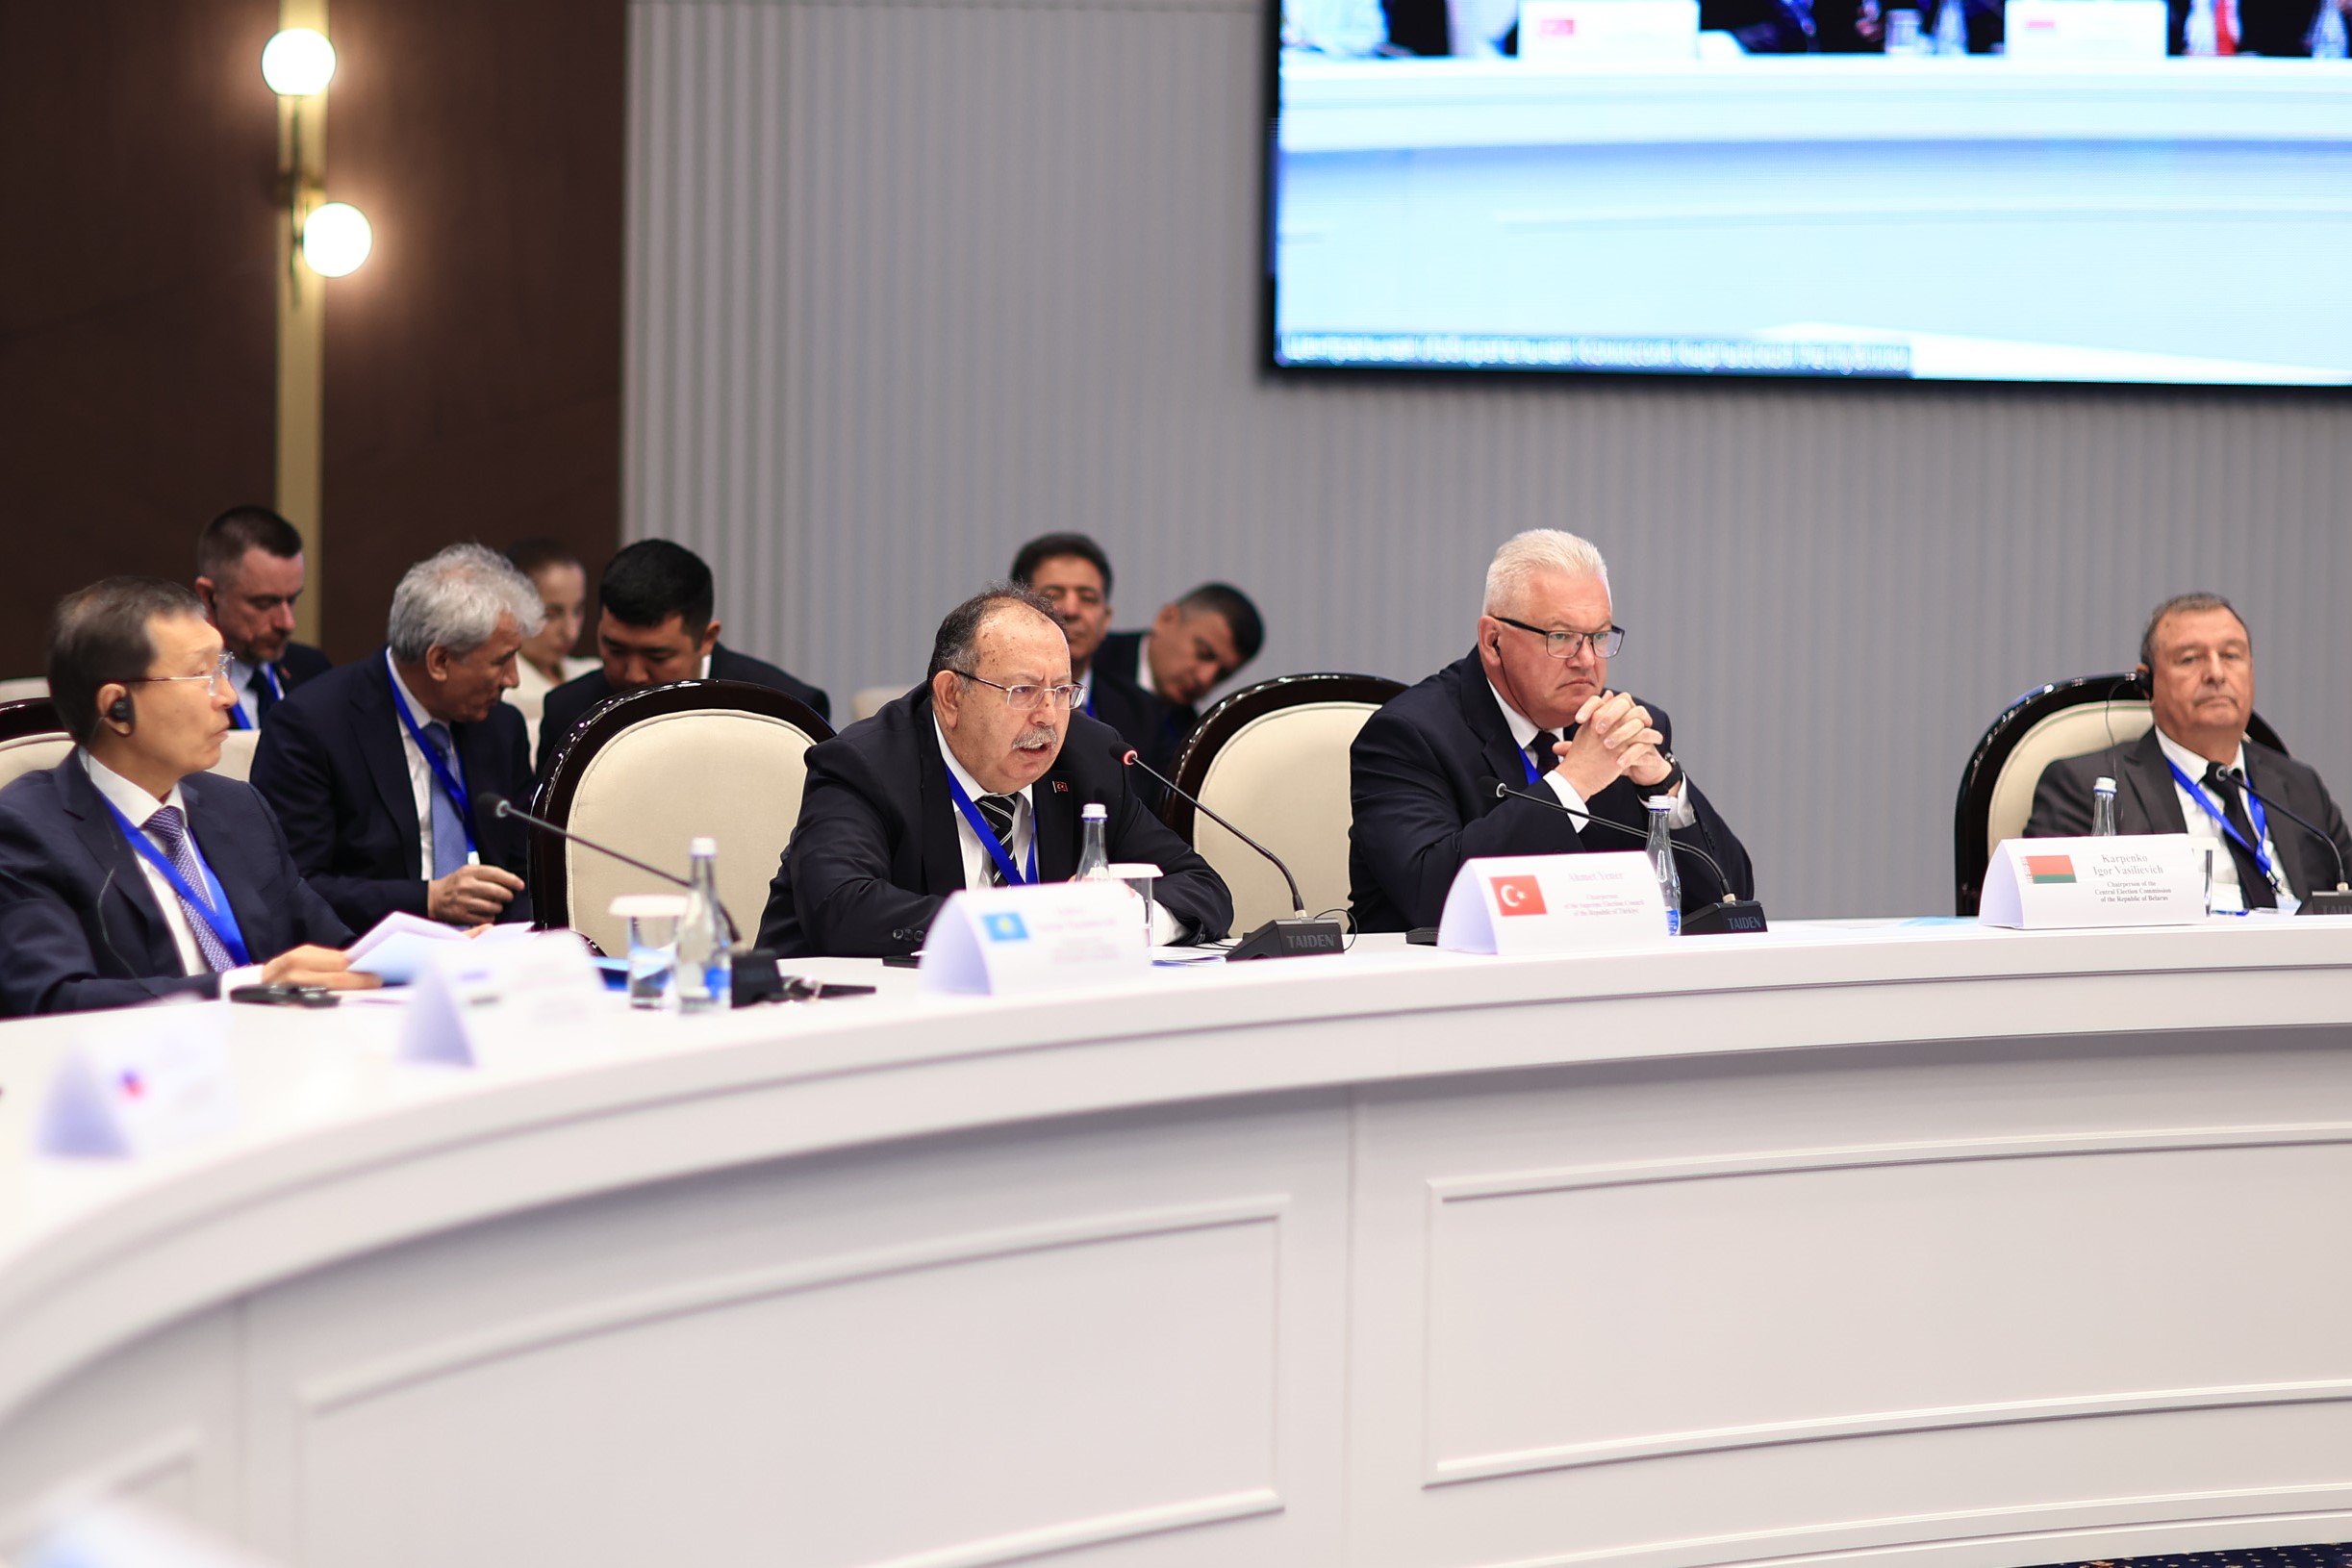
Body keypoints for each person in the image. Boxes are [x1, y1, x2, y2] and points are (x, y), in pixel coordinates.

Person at [758, 585, 1233, 958]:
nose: (1048, 717)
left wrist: (1127, 918)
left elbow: (1203, 889)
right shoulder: (865, 764)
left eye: (1062, 691)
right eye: (1023, 691)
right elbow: (842, 909)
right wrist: (1027, 921)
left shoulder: (1089, 756)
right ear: (951, 696)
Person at [1349, 529, 1754, 932]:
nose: (1586, 660)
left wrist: (1664, 787)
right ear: (1493, 641)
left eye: (1598, 636)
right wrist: (1573, 783)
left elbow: (1731, 899)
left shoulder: (1623, 729)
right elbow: (1434, 898)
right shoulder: (1408, 736)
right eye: (1561, 637)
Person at [0, 578, 373, 1015]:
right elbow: (54, 998)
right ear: (118, 707)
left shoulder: (240, 808)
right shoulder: (26, 831)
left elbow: (336, 949)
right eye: (202, 675)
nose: (228, 696)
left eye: (224, 668)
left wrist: (417, 958)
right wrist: (248, 985)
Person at [252, 544, 540, 932]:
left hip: (494, 948)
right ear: (439, 662)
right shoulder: (311, 726)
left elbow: (528, 868)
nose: (513, 679)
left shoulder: (501, 727)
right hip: (375, 952)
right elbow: (296, 887)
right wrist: (429, 901)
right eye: (501, 661)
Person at [2025, 593, 2352, 911]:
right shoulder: (2084, 786)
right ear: (2148, 685)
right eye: (2190, 659)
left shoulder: (2301, 788)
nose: (2216, 674)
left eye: (2231, 656)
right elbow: (2047, 906)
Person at [536, 540, 831, 776]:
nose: (634, 674)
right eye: (616, 650)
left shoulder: (785, 714)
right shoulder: (568, 713)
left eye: (657, 655)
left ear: (707, 639)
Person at [1007, 533, 1169, 772]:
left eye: (1088, 598)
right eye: (1053, 595)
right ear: (1015, 610)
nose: (1071, 610)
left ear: (1106, 620)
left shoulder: (1143, 714)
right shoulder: (988, 698)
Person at [1097, 582, 1266, 774]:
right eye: (1203, 653)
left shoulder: (1192, 738)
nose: (1205, 678)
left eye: (1222, 674)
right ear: (1165, 619)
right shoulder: (1090, 662)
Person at [192, 505, 332, 729]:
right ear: (208, 595)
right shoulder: (180, 687)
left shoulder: (313, 671)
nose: (287, 623)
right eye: (264, 604)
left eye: (292, 600)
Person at [503, 538, 598, 746]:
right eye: (551, 615)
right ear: (512, 608)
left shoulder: (594, 673)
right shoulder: (501, 693)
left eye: (578, 611)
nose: (570, 631)